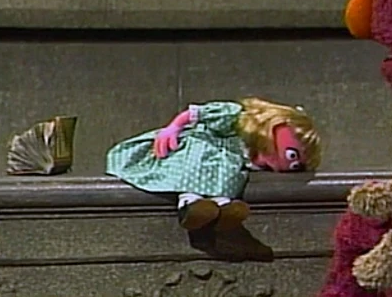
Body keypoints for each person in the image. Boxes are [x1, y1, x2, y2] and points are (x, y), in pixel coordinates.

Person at [107, 97, 322, 232]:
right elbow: (196, 114)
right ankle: (190, 203)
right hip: (202, 147)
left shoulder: (247, 155)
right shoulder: (235, 117)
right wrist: (173, 128)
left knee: (231, 173)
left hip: (225, 162)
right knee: (196, 164)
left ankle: (223, 206)